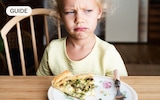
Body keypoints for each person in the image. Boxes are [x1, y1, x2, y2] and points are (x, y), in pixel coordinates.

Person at [36, 0, 128, 76]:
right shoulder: (53, 50)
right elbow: (39, 83)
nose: (79, 19)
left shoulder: (108, 53)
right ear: (61, 16)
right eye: (70, 12)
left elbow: (121, 87)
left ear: (99, 12)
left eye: (88, 11)